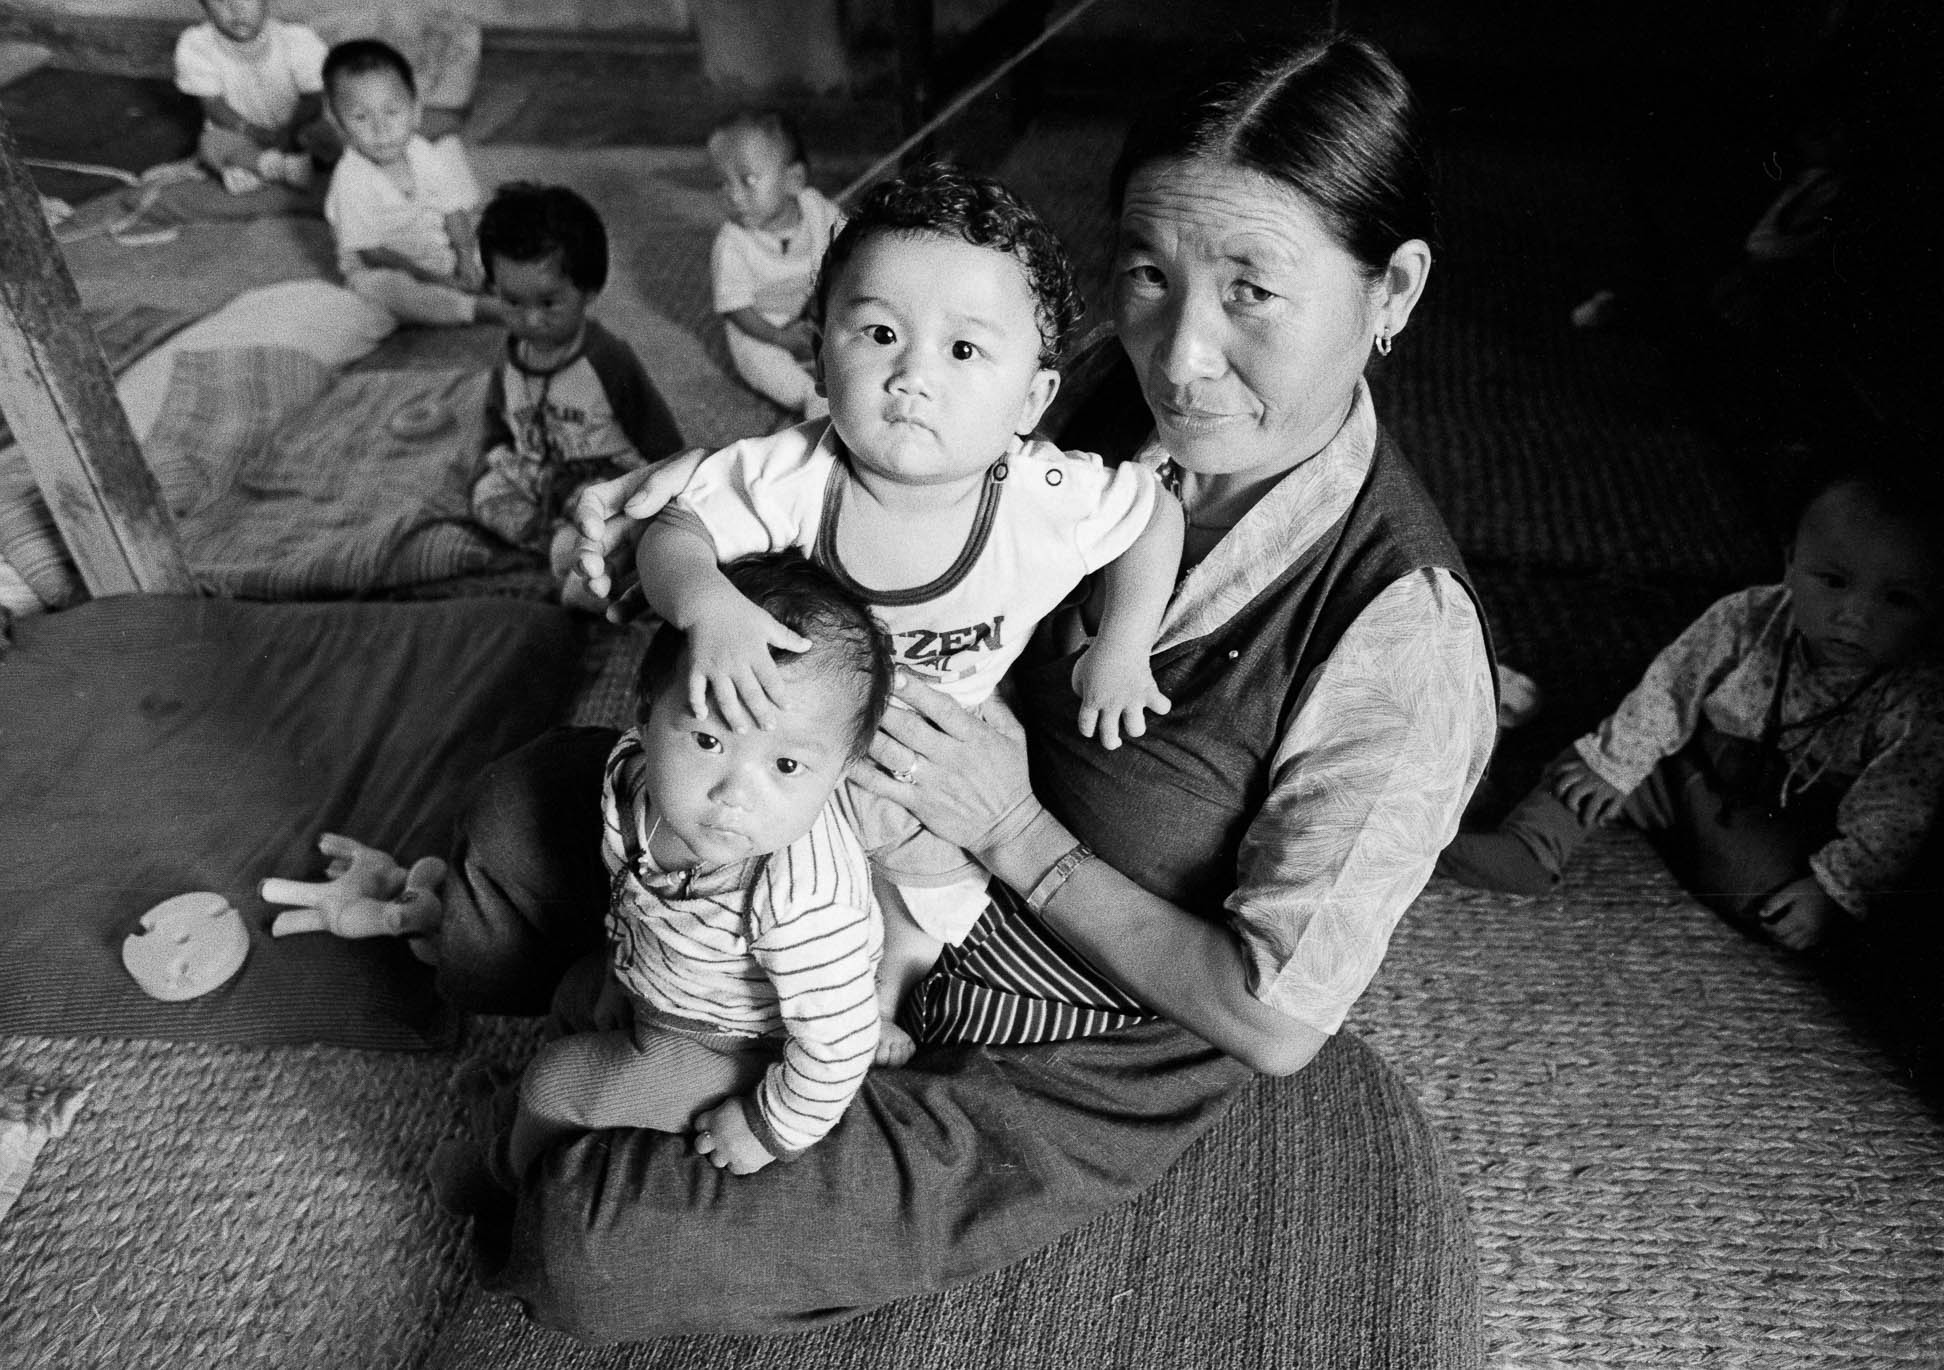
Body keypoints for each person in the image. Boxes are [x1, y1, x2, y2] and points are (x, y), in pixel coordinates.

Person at [267, 32, 1496, 1341]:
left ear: (1394, 291)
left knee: (589, 1239)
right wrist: (666, 550)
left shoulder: (1401, 643)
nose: (1180, 355)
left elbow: (1271, 1019)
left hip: (1062, 1028)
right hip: (851, 835)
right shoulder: (1076, 389)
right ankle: (618, 1001)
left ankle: (682, 1061)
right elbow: (848, 491)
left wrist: (1013, 830)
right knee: (518, 814)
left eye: (1254, 290)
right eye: (1150, 273)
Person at [635, 161, 1183, 1041]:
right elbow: (673, 528)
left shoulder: (1044, 493)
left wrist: (1125, 644)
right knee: (706, 838)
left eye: (963, 351)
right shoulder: (798, 473)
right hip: (790, 737)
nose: (912, 376)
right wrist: (706, 604)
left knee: (931, 884)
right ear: (819, 354)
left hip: (943, 739)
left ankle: (896, 971)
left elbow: (1154, 514)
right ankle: (734, 981)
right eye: (879, 334)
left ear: (1032, 399)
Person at [1438, 466, 1944, 951]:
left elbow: (1893, 816)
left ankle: (1705, 847)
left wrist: (1831, 887)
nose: (1854, 616)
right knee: (1588, 769)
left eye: (1897, 599)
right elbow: (1672, 688)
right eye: (1834, 581)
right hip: (1684, 761)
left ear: (1940, 605)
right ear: (1790, 563)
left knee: (1767, 902)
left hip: (1782, 814)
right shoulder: (1748, 617)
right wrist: (1618, 766)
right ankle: (1523, 846)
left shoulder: (1919, 697)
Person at [502, 551, 895, 1180]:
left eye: (787, 766)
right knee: (572, 995)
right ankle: (523, 1114)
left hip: (741, 1042)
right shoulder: (632, 776)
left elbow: (840, 1047)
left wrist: (771, 1128)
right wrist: (619, 971)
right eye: (709, 740)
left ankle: (501, 1182)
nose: (734, 794)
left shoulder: (805, 902)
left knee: (555, 1086)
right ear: (646, 713)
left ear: (842, 771)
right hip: (659, 976)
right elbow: (631, 888)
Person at [469, 182, 686, 581]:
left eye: (549, 302)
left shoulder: (609, 360)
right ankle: (564, 545)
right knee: (484, 494)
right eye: (511, 302)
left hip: (598, 481)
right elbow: (496, 422)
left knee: (619, 510)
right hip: (539, 475)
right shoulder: (510, 355)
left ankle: (598, 550)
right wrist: (495, 455)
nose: (530, 320)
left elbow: (660, 437)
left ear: (588, 289)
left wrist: (673, 490)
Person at [321, 39, 505, 328]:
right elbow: (373, 253)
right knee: (386, 289)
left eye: (392, 112)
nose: (381, 130)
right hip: (383, 266)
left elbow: (453, 212)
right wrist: (438, 280)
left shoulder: (423, 151)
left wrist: (465, 258)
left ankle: (497, 283)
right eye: (360, 117)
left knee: (497, 239)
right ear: (336, 121)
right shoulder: (350, 178)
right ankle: (473, 308)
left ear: (416, 109)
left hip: (437, 250)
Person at [706, 109, 844, 419]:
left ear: (793, 180)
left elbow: (849, 252)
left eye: (748, 180)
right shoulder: (732, 243)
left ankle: (849, 381)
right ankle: (810, 399)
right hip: (761, 327)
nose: (733, 195)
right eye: (723, 184)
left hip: (813, 313)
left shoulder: (818, 210)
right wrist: (779, 338)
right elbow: (736, 309)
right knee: (760, 360)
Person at [173, 0, 336, 194]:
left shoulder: (296, 38)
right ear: (204, 6)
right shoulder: (196, 44)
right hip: (242, 133)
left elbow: (314, 97)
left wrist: (289, 132)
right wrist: (252, 131)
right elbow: (213, 104)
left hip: (299, 128)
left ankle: (264, 170)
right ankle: (271, 166)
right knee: (211, 143)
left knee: (328, 135)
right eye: (220, 1)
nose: (236, 8)